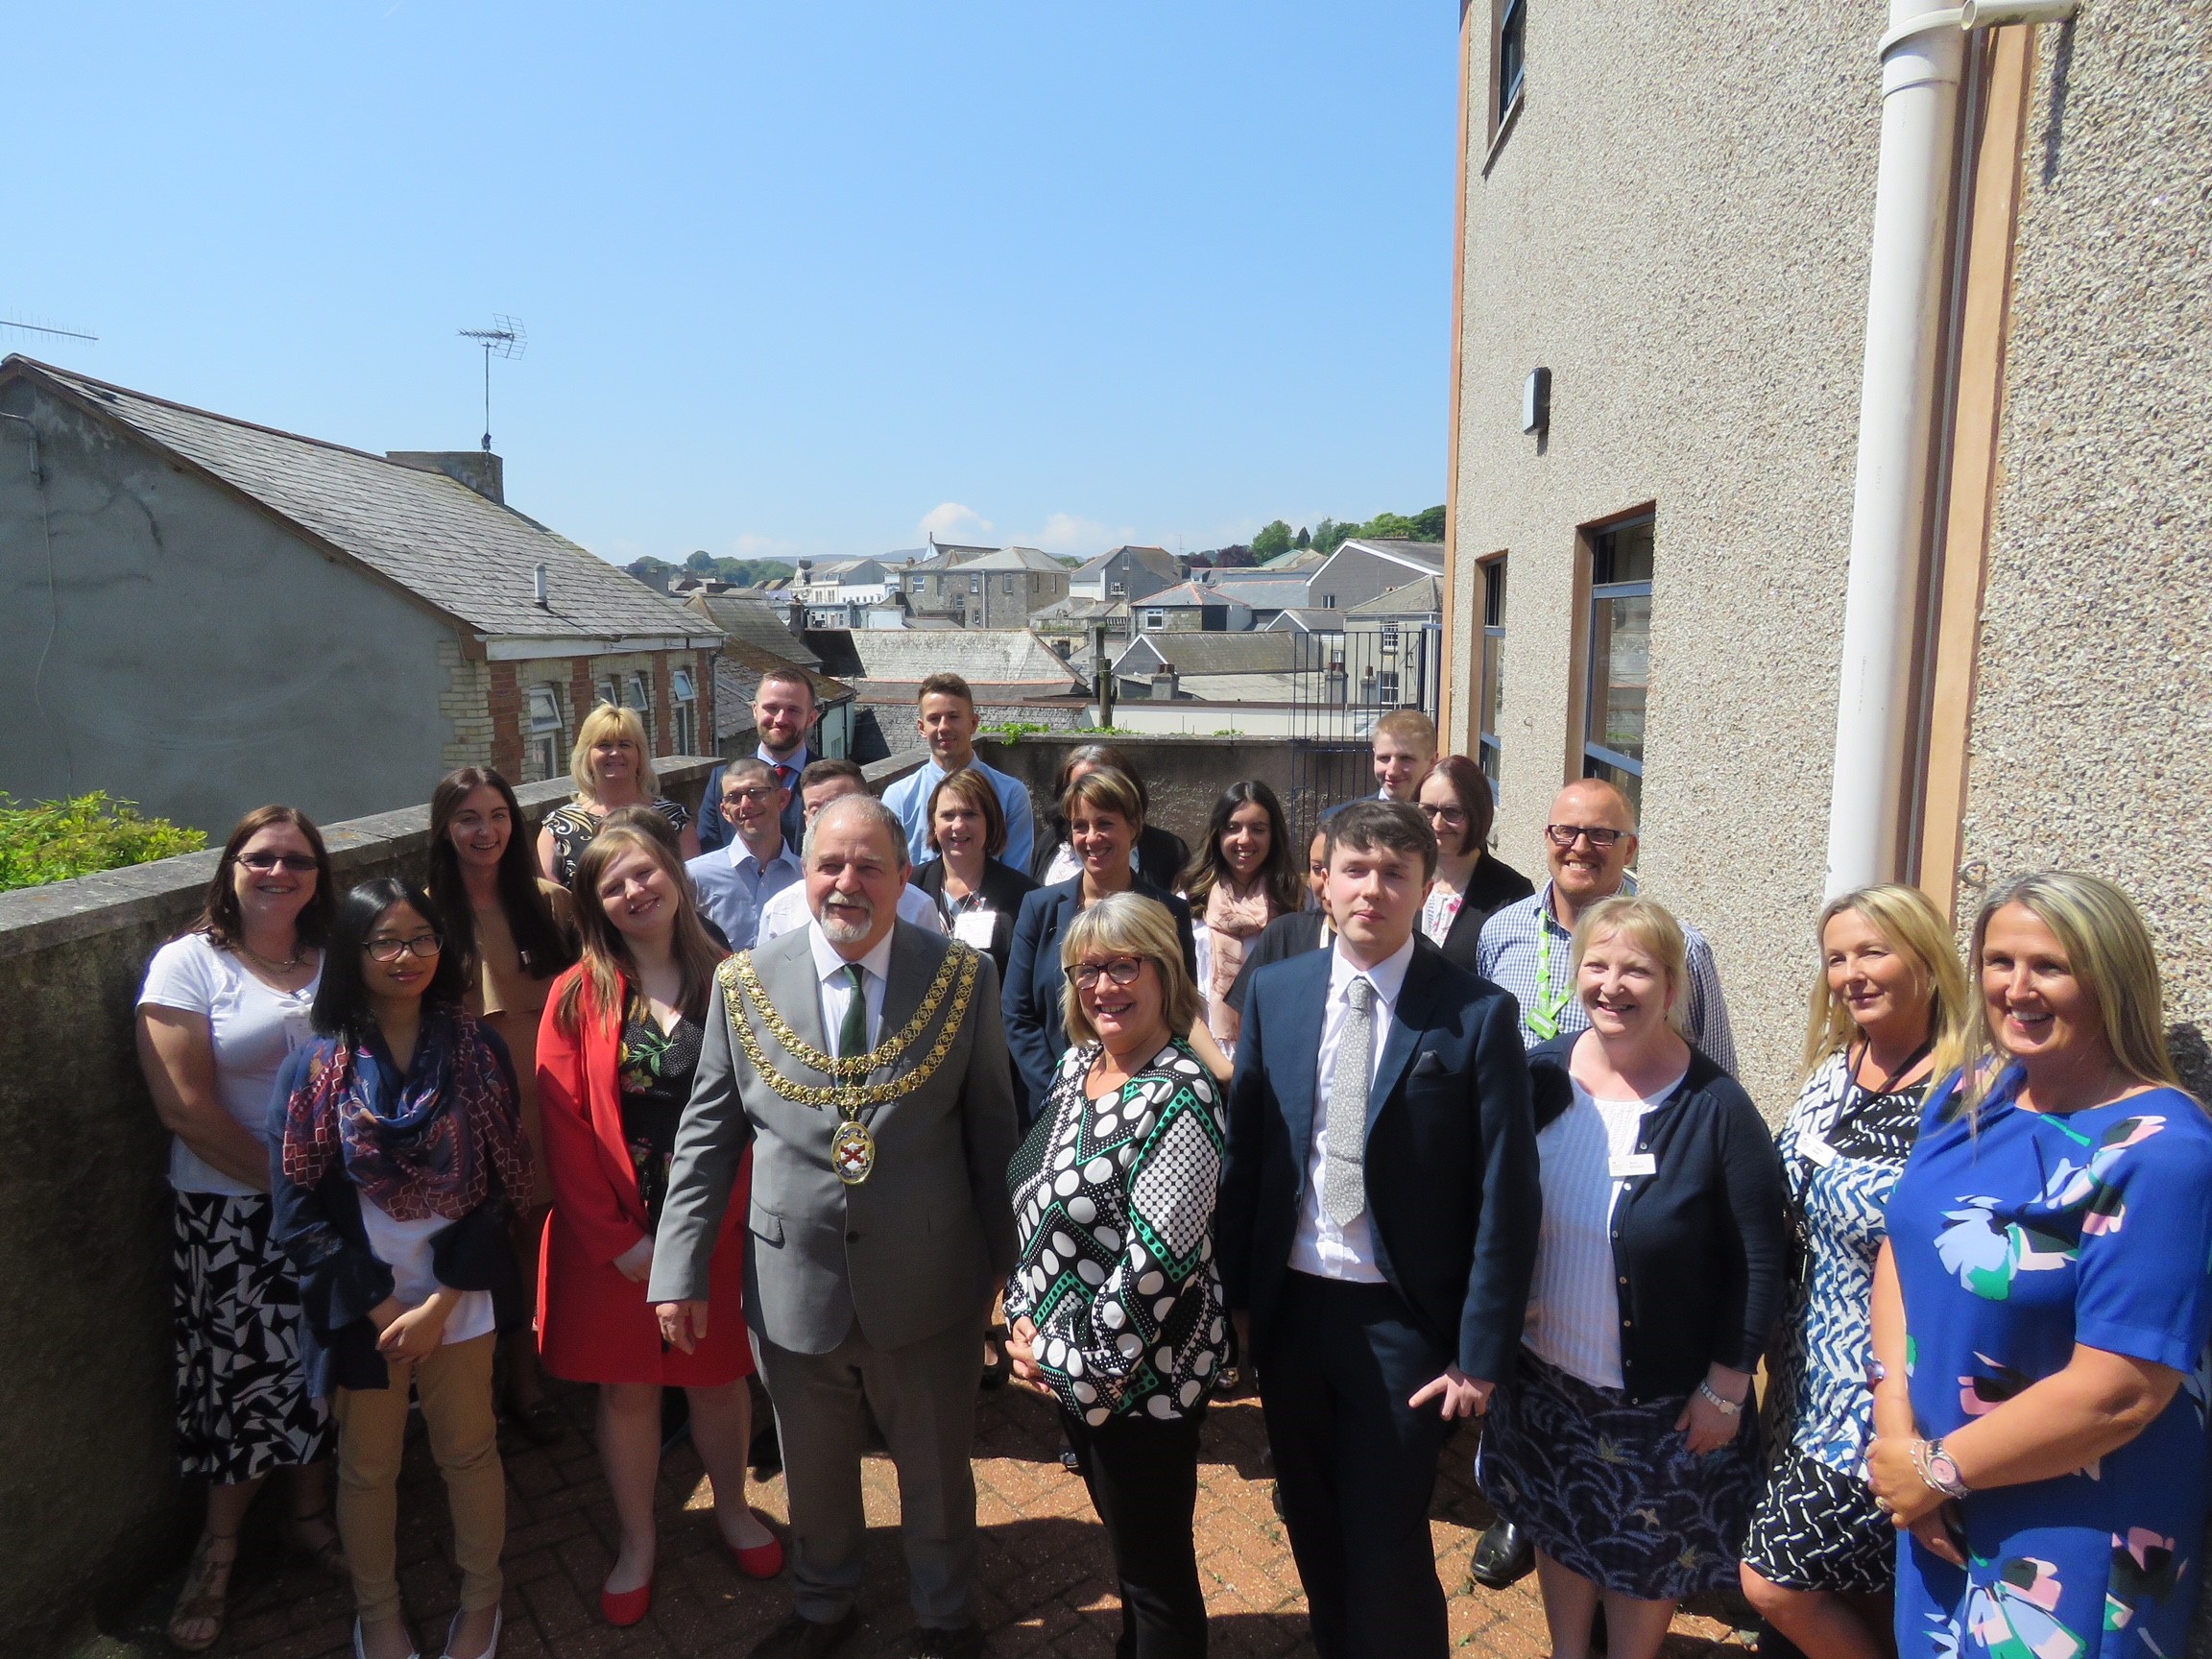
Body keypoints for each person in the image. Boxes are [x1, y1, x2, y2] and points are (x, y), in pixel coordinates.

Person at [650, 795, 1021, 1659]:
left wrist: (1017, 1274)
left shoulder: (965, 977)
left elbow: (993, 1133)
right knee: (813, 1468)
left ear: (902, 878)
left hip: (931, 1280)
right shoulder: (743, 985)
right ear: (805, 872)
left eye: (868, 866)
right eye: (829, 865)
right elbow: (706, 1137)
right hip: (791, 1281)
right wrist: (679, 1268)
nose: (846, 884)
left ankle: (945, 1616)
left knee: (934, 1465)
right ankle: (824, 1604)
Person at [1217, 800, 1540, 1659]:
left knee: (1388, 1537)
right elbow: (1249, 1154)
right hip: (1293, 1310)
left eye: (1396, 873)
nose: (1373, 889)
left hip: (1405, 1322)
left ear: (1426, 890)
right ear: (1322, 882)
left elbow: (1506, 1192)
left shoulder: (1475, 1015)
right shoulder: (1278, 992)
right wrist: (1242, 1305)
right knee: (1314, 1522)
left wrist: (1480, 1349)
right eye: (1355, 870)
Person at [1868, 872, 2212, 1659]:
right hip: (1932, 1496)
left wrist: (1940, 1470)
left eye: (2049, 966)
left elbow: (2122, 1390)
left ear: (2111, 980)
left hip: (2069, 1533)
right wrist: (1899, 1442)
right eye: (1998, 962)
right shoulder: (1971, 1091)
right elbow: (1905, 1245)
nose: (2016, 989)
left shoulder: (2163, 1153)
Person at [1476, 895, 1786, 1659]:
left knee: (1647, 1558)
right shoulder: (1541, 1073)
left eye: (1638, 970)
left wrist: (1727, 1384)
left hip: (1664, 1402)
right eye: (1598, 965)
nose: (1613, 986)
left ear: (1674, 989)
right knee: (1558, 1521)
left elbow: (1759, 1257)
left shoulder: (1715, 1108)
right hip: (1544, 1381)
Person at [268, 878, 533, 1659]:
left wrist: (440, 1306)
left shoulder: (476, 1050)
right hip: (366, 1308)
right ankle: (377, 1611)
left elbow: (499, 1184)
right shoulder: (315, 1067)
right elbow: (297, 1211)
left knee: (469, 1450)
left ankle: (483, 1599)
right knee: (367, 1468)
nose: (407, 955)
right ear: (353, 954)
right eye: (385, 940)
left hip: (459, 1295)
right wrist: (386, 1311)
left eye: (422, 938)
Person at [537, 825, 782, 1627]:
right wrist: (624, 1245)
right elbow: (565, 1127)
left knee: (717, 1381)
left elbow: (763, 1115)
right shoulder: (577, 993)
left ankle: (733, 1509)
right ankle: (638, 1540)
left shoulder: (737, 981)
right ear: (595, 906)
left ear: (673, 876)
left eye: (645, 873)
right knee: (629, 1390)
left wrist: (708, 1232)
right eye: (614, 886)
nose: (635, 892)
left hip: (716, 1227)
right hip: (616, 1243)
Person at [1738, 885, 1970, 1659]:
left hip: (1878, 1384)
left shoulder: (1962, 1090)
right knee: (1862, 1584)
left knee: (1773, 1579)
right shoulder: (1839, 1064)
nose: (1851, 974)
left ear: (1927, 961)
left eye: (1873, 951)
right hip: (1800, 1370)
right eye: (1837, 957)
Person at [136, 806, 344, 1651]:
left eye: (297, 859)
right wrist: (288, 1194)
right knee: (239, 1382)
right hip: (230, 1211)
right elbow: (186, 1110)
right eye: (261, 857)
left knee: (317, 1365)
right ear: (230, 868)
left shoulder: (330, 961)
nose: (278, 872)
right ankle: (217, 1553)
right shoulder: (189, 964)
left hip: (330, 1206)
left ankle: (307, 1514)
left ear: (318, 876)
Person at [1003, 893, 1229, 1658]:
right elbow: (1038, 1187)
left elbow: (1154, 1269)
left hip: (1142, 1384)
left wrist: (1058, 1360)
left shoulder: (1180, 1096)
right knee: (1133, 1562)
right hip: (1073, 1370)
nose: (1104, 986)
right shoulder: (1077, 1068)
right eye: (1088, 969)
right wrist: (1023, 1314)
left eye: (1124, 965)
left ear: (1165, 972)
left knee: (1157, 1576)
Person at [425, 767, 578, 1445]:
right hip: (470, 1109)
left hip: (548, 1101)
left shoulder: (550, 903)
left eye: (496, 815)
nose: (484, 832)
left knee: (532, 1242)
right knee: (480, 1242)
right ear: (444, 829)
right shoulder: (426, 912)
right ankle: (476, 1385)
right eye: (467, 818)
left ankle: (528, 1379)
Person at [1004, 764, 1198, 1128]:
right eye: (1080, 826)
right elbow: (1017, 1013)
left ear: (1134, 828)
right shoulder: (1039, 908)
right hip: (1051, 1107)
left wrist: (1137, 1091)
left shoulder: (1168, 913)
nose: (1092, 838)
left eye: (1105, 823)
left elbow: (1179, 1009)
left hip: (1142, 1107)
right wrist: (1060, 1089)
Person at [756, 759, 946, 945]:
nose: (847, 884)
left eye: (841, 803)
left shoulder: (917, 908)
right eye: (817, 809)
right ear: (806, 820)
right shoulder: (779, 912)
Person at [1182, 780, 1303, 1064]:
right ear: (1217, 833)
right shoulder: (1188, 901)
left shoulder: (1297, 902)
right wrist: (1220, 1067)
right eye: (1233, 827)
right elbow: (1180, 993)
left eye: (1258, 829)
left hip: (1274, 1055)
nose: (1244, 839)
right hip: (1201, 1057)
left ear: (1274, 836)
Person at [880, 672, 1037, 873]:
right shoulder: (899, 798)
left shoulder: (1011, 795)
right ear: (921, 728)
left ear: (973, 723)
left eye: (953, 717)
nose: (944, 727)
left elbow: (1018, 879)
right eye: (934, 719)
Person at [538, 703, 700, 886]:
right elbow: (554, 903)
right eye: (604, 745)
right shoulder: (557, 827)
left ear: (640, 754)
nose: (615, 753)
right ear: (587, 756)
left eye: (624, 744)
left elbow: (691, 890)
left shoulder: (675, 819)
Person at [911, 764, 1039, 978]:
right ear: (933, 824)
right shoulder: (909, 888)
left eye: (970, 815)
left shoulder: (1025, 897)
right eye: (948, 815)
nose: (958, 825)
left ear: (990, 822)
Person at [1414, 756, 1533, 969]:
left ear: (1478, 815)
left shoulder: (1511, 894)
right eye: (1429, 810)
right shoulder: (1401, 878)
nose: (1438, 824)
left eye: (1453, 812)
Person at [1029, 742, 1190, 891]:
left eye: (1099, 785)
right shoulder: (1049, 843)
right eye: (1078, 787)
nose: (1088, 795)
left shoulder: (1168, 850)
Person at [698, 667, 822, 856]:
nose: (780, 719)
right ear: (755, 711)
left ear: (811, 718)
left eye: (793, 710)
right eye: (771, 708)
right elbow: (710, 854)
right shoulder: (721, 780)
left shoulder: (831, 782)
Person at [687, 757, 803, 950]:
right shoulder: (695, 877)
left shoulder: (806, 877)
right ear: (725, 812)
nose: (746, 804)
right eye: (734, 797)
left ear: (782, 799)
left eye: (756, 793)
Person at [1224, 826, 1335, 1018]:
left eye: (1349, 870)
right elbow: (1247, 1019)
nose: (1328, 881)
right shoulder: (1285, 933)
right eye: (1317, 869)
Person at [1367, 709, 1436, 804]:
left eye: (1405, 758)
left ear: (1432, 762)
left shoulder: (1444, 817)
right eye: (1384, 758)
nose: (1392, 772)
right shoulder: (1345, 817)